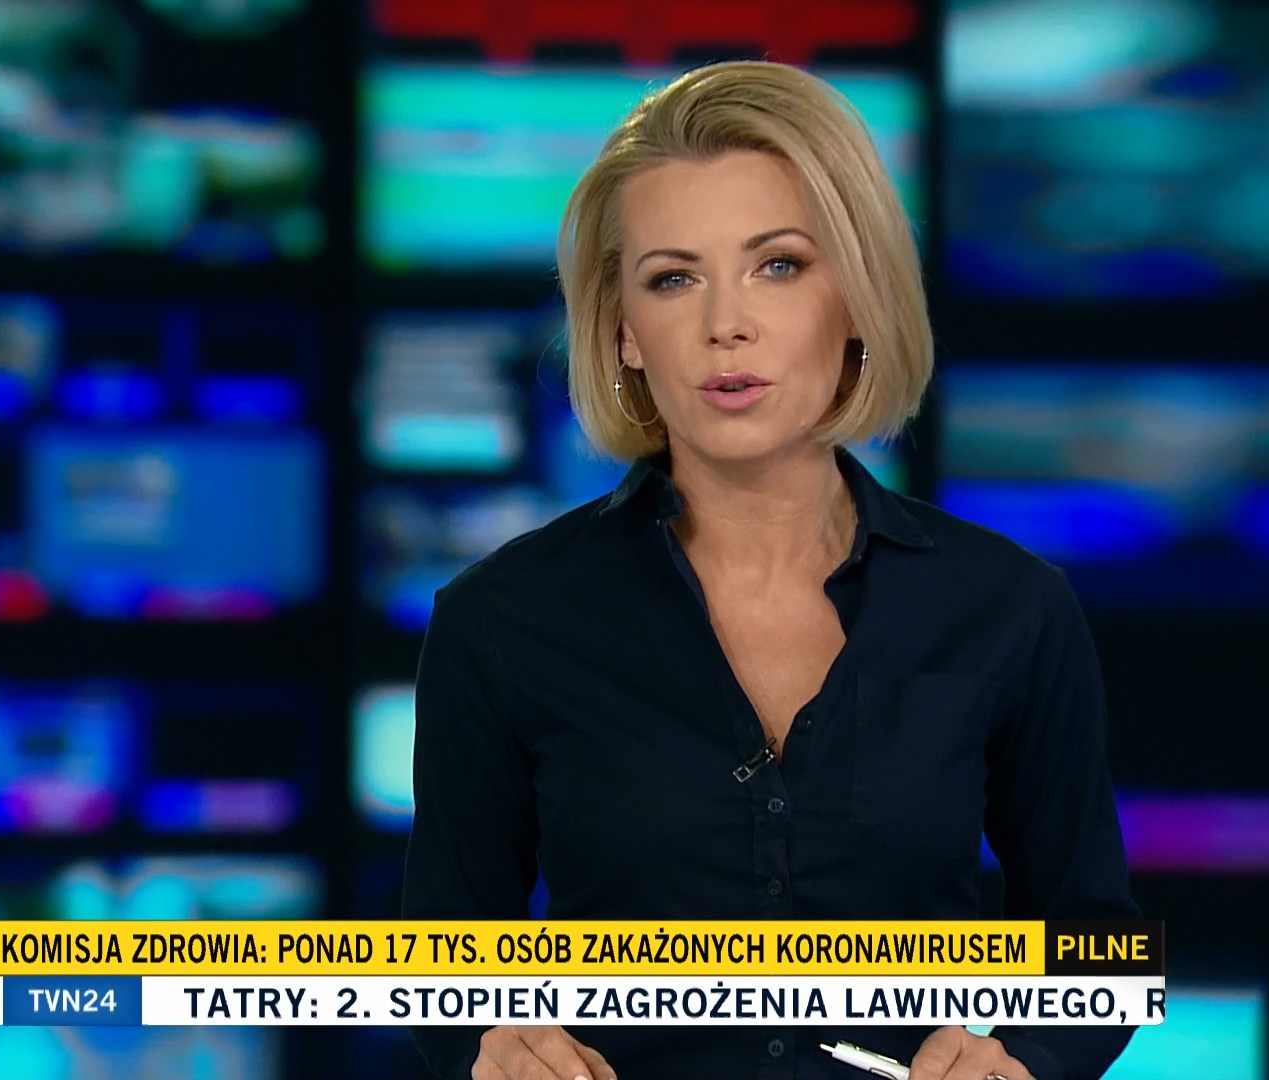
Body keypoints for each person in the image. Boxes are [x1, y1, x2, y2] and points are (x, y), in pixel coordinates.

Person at [400, 60, 1140, 1080]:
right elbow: (442, 963)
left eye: (778, 265)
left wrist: (1024, 1057)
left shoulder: (1010, 609)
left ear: (856, 298)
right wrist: (492, 1046)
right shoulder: (500, 621)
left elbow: (1095, 944)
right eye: (674, 278)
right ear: (623, 332)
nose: (725, 325)